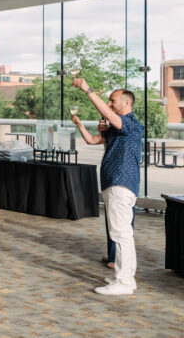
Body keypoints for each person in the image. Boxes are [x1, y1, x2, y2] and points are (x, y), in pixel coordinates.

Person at [72, 79, 142, 296]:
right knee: (121, 233)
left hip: (121, 184)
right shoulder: (117, 129)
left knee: (120, 233)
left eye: (113, 101)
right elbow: (93, 140)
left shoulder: (131, 124)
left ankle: (124, 282)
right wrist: (80, 125)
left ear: (127, 103)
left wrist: (87, 89)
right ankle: (126, 277)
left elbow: (109, 115)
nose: (110, 104)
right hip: (114, 184)